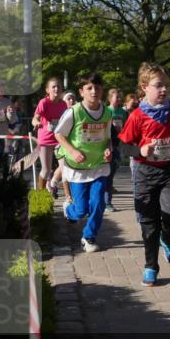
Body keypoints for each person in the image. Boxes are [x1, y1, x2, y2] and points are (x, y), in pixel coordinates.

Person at [118, 62, 170, 287]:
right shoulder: (137, 116)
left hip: (169, 170)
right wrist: (139, 150)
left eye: (167, 85)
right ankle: (151, 266)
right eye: (158, 85)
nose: (164, 90)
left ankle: (167, 237)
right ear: (144, 88)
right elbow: (124, 146)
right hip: (145, 173)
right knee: (149, 224)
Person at [53, 73, 114, 253]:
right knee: (80, 210)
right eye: (89, 88)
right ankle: (69, 210)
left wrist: (109, 149)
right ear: (81, 92)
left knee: (98, 203)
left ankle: (89, 237)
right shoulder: (74, 112)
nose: (94, 91)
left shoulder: (107, 112)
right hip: (77, 167)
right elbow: (59, 134)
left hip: (99, 165)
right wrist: (72, 151)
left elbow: (109, 137)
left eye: (97, 88)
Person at [32, 78, 66, 192]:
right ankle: (40, 194)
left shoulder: (63, 104)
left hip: (59, 139)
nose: (56, 89)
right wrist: (36, 123)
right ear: (48, 90)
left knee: (64, 167)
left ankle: (67, 196)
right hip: (45, 139)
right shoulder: (44, 102)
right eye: (53, 87)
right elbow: (35, 118)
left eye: (59, 87)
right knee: (46, 170)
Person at [106, 87, 130, 212]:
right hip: (108, 144)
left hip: (119, 143)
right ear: (110, 99)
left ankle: (107, 192)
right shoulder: (106, 111)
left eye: (120, 97)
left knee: (114, 168)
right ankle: (107, 202)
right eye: (116, 97)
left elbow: (126, 126)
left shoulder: (122, 111)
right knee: (108, 174)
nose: (119, 99)